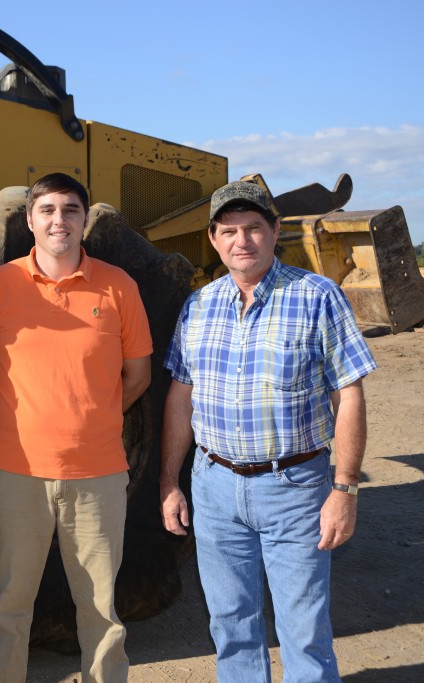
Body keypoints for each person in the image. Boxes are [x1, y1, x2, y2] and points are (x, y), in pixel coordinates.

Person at [159, 180, 377, 682]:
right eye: (230, 231)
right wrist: (171, 480)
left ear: (275, 231)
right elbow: (180, 397)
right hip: (213, 486)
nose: (243, 241)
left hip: (296, 488)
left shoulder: (318, 297)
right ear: (213, 238)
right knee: (231, 624)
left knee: (304, 630)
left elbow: (350, 396)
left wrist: (344, 489)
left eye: (254, 228)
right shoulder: (198, 306)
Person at [0, 173, 153, 683]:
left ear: (86, 220)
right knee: (9, 607)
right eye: (46, 210)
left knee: (100, 612)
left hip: (98, 477)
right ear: (29, 220)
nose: (59, 220)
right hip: (13, 474)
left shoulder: (118, 286)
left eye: (71, 210)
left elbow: (137, 375)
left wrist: (95, 416)